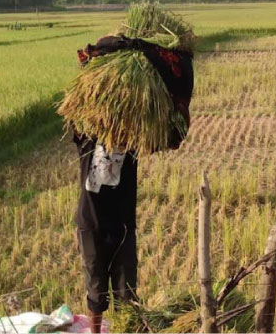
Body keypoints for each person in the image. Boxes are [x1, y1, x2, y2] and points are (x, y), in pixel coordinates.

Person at [72, 34, 193, 333]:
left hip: (123, 225)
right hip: (93, 223)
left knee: (128, 292)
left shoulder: (135, 142)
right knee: (96, 290)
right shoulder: (88, 137)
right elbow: (80, 109)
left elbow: (170, 139)